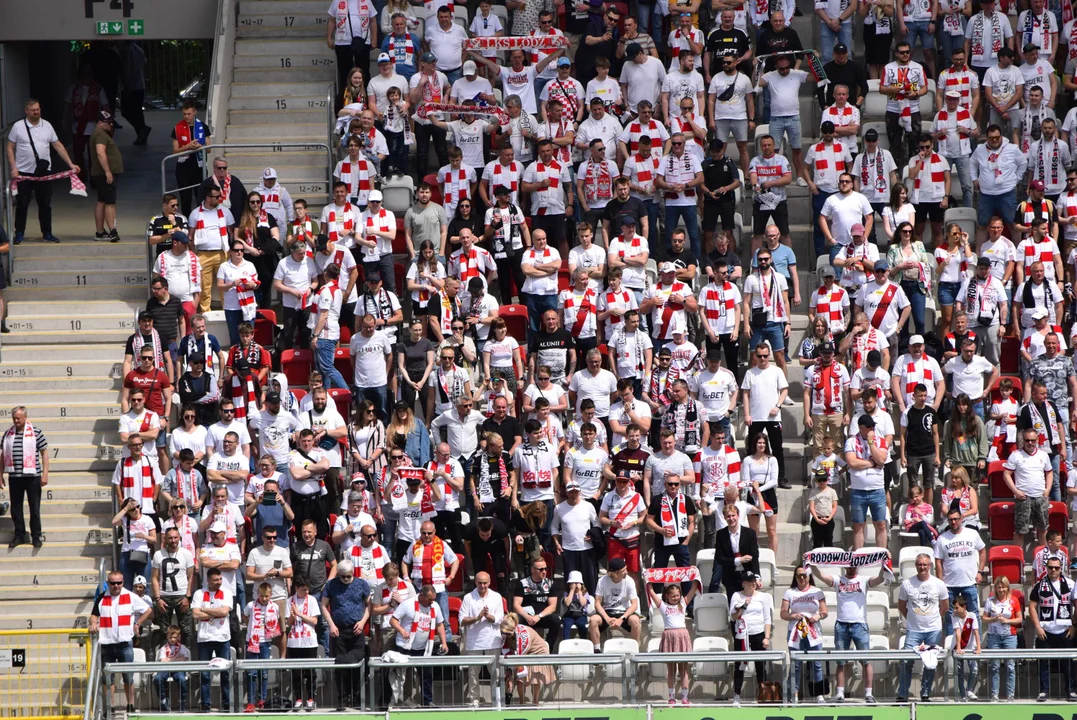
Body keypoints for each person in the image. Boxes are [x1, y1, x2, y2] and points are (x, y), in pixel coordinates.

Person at [812, 560, 889, 703]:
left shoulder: (863, 580)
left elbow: (880, 578)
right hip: (841, 624)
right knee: (841, 661)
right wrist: (811, 563)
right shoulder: (838, 580)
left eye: (854, 566)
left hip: (860, 624)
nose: (851, 568)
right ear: (844, 566)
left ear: (857, 566)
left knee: (866, 661)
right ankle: (840, 693)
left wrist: (885, 563)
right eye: (849, 565)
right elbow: (820, 575)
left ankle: (868, 694)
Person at [6, 98, 77, 244]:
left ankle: (47, 233)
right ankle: (19, 233)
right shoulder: (18, 127)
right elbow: (10, 147)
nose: (36, 112)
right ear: (26, 111)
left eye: (38, 109)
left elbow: (57, 145)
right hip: (24, 172)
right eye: (33, 110)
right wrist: (13, 167)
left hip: (44, 171)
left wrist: (70, 164)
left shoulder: (47, 126)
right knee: (22, 203)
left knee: (45, 204)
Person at [90, 570, 153, 713]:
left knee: (128, 678)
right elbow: (93, 615)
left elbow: (148, 610)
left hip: (125, 643)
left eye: (119, 583)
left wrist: (138, 624)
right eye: (113, 583)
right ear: (108, 583)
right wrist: (94, 623)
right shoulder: (101, 598)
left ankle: (130, 705)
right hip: (106, 643)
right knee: (108, 679)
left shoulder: (130, 596)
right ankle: (109, 707)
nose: (116, 586)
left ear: (123, 582)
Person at [896, 553, 950, 701]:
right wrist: (913, 619)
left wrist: (932, 618)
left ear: (930, 565)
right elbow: (901, 606)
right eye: (920, 564)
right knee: (906, 662)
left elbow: (945, 606)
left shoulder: (939, 583)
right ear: (916, 565)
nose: (922, 567)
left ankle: (926, 693)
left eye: (925, 564)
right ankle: (902, 694)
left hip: (933, 629)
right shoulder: (907, 584)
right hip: (914, 630)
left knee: (930, 663)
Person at [322, 559, 371, 708]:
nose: (346, 579)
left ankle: (356, 698)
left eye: (348, 576)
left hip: (356, 630)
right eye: (343, 577)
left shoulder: (362, 584)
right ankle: (343, 698)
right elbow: (323, 605)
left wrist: (362, 622)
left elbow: (369, 605)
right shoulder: (331, 585)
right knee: (341, 666)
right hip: (339, 631)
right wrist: (331, 625)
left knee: (357, 664)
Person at [740, 341, 790, 489]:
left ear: (769, 356)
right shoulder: (750, 373)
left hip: (773, 417)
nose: (762, 359)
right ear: (756, 355)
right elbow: (746, 394)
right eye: (760, 356)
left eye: (765, 356)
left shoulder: (777, 371)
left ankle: (781, 478)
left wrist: (778, 406)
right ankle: (749, 479)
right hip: (755, 417)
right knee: (752, 449)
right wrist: (747, 414)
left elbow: (785, 390)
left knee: (777, 448)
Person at [1030, 557, 1077, 701]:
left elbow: (1076, 605)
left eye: (1056, 567)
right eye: (1051, 567)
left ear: (1061, 567)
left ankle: (1071, 690)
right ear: (1046, 567)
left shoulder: (1070, 584)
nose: (1054, 570)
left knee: (1068, 663)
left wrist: (1074, 626)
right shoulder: (1039, 585)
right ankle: (1044, 691)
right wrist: (1037, 626)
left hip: (1065, 630)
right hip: (1045, 630)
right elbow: (1032, 606)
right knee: (1043, 663)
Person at [1, 406, 48, 549]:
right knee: (16, 507)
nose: (16, 421)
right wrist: (0, 474)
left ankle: (36, 536)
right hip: (14, 476)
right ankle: (19, 534)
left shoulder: (36, 432)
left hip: (32, 476)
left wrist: (45, 473)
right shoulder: (8, 434)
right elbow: (2, 455)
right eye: (14, 418)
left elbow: (44, 452)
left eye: (18, 418)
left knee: (34, 507)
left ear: (25, 417)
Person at [459, 571, 505, 706]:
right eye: (480, 583)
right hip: (474, 642)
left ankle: (496, 699)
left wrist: (488, 616)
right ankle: (474, 700)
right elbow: (462, 620)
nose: (483, 586)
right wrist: (477, 617)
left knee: (495, 673)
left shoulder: (496, 597)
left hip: (493, 640)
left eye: (485, 583)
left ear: (490, 582)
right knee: (473, 674)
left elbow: (500, 619)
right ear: (475, 582)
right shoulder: (468, 598)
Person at [845, 414, 890, 549]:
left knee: (880, 524)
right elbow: (852, 462)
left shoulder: (881, 441)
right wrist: (871, 463)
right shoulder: (851, 441)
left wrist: (871, 443)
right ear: (860, 427)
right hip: (858, 490)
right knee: (858, 525)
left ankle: (882, 555)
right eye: (869, 426)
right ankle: (859, 557)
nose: (872, 428)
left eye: (873, 426)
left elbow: (881, 460)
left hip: (877, 489)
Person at [191, 567, 232, 711]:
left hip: (222, 637)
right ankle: (205, 705)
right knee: (205, 674)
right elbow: (195, 615)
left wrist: (204, 610)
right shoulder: (199, 593)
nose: (219, 582)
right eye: (215, 580)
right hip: (204, 638)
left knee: (225, 673)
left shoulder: (226, 592)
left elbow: (225, 611)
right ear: (208, 580)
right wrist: (216, 614)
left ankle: (227, 705)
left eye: (220, 579)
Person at [729, 571, 772, 704]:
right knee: (740, 665)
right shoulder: (737, 596)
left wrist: (767, 637)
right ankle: (737, 695)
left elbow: (767, 618)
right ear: (743, 584)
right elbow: (733, 617)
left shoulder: (764, 597)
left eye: (754, 580)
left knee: (760, 665)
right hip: (742, 635)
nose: (753, 583)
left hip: (758, 633)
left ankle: (763, 694)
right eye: (750, 581)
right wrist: (744, 606)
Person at [588, 557, 642, 647]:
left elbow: (634, 605)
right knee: (593, 620)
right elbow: (597, 603)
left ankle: (634, 649)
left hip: (624, 612)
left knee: (635, 621)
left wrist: (622, 619)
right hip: (607, 611)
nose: (626, 572)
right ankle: (596, 650)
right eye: (623, 570)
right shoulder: (602, 581)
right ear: (615, 573)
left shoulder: (629, 581)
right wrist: (607, 618)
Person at [712, 504, 759, 597]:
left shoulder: (750, 533)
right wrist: (738, 560)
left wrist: (757, 576)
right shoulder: (721, 534)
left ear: (738, 515)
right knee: (734, 607)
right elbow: (719, 558)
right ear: (724, 518)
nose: (731, 518)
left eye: (733, 515)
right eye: (728, 516)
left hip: (748, 574)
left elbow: (754, 556)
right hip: (730, 577)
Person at [89, 110, 122, 241]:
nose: (111, 125)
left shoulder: (99, 134)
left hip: (99, 173)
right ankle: (112, 230)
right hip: (104, 174)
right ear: (100, 123)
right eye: (108, 123)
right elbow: (100, 153)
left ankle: (100, 231)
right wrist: (108, 171)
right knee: (110, 203)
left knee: (102, 201)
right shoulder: (101, 135)